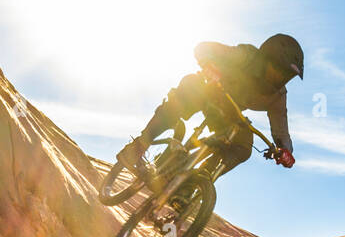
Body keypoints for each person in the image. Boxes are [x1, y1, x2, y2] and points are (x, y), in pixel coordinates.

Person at [120, 34, 304, 179]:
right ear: (266, 58)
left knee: (243, 146)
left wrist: (286, 151)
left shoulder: (278, 96)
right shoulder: (248, 56)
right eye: (278, 70)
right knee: (186, 94)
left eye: (286, 76)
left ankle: (199, 179)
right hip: (208, 90)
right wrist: (207, 63)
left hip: (228, 112)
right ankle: (138, 146)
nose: (279, 79)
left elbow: (281, 130)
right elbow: (204, 48)